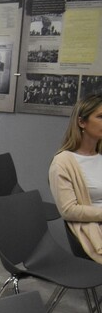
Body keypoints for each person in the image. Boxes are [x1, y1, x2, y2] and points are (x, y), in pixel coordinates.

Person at [49, 94, 102, 264]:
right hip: (93, 230)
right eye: (100, 117)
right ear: (81, 122)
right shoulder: (63, 162)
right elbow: (68, 210)